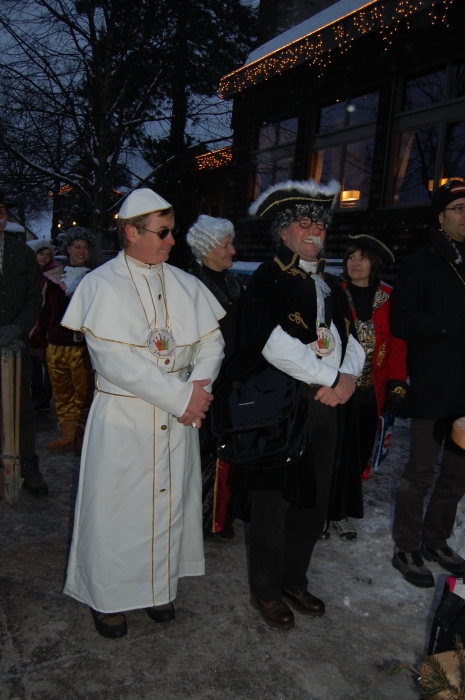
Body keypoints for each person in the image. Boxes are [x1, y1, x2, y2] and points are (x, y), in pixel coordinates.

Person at [62, 188, 225, 638]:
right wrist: (182, 398)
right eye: (163, 232)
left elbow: (212, 342)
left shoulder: (186, 283)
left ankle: (158, 587)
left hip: (178, 418)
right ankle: (107, 598)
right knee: (116, 512)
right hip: (125, 417)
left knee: (168, 505)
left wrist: (199, 387)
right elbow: (114, 360)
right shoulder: (100, 285)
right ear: (132, 233)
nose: (172, 240)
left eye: (172, 231)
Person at [227, 179, 365, 630]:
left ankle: (293, 579)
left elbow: (352, 338)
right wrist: (331, 379)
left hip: (328, 403)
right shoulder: (268, 278)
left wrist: (346, 380)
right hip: (282, 406)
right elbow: (273, 344)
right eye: (304, 222)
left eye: (320, 224)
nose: (314, 231)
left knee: (314, 500)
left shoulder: (330, 284)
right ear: (283, 231)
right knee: (272, 502)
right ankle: (266, 590)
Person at [391, 179, 465, 587]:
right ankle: (406, 546)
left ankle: (436, 540)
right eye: (459, 208)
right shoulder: (419, 264)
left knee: (457, 474)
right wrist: (453, 323)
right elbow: (402, 321)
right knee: (419, 472)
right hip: (433, 387)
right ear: (440, 217)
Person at [329, 235, 408, 540]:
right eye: (351, 257)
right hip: (336, 388)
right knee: (332, 452)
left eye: (362, 258)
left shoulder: (389, 297)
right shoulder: (334, 293)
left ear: (374, 264)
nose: (355, 263)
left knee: (358, 454)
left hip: (370, 394)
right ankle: (323, 511)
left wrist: (397, 385)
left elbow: (398, 346)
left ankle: (342, 512)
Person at [186, 214, 244, 539]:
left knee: (226, 450)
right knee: (202, 452)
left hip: (232, 383)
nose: (232, 251)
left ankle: (219, 516)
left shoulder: (235, 284)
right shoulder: (189, 285)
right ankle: (199, 517)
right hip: (203, 382)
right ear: (207, 249)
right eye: (226, 245)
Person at [30, 227, 95, 455]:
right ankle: (67, 435)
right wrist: (38, 340)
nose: (81, 251)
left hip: (83, 348)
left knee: (84, 394)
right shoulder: (53, 277)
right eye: (77, 246)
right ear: (68, 249)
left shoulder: (95, 278)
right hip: (56, 345)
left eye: (85, 248)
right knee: (62, 393)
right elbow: (45, 311)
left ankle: (81, 435)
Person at [0, 192, 48, 497]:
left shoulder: (21, 253)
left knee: (22, 407)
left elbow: (34, 297)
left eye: (2, 211)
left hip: (15, 345)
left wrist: (17, 328)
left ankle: (28, 464)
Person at [30, 240, 57, 411]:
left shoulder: (52, 275)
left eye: (48, 255)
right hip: (31, 321)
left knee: (45, 361)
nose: (44, 257)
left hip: (45, 322)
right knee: (33, 361)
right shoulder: (30, 272)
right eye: (41, 254)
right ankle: (36, 393)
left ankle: (45, 395)